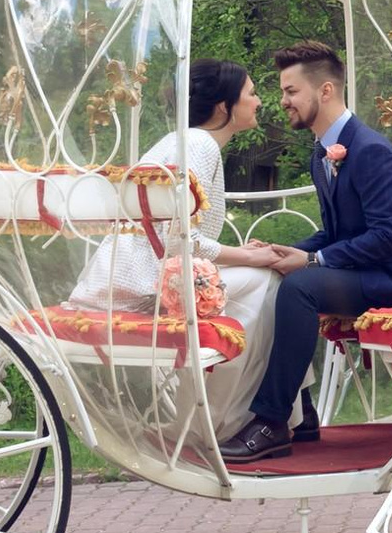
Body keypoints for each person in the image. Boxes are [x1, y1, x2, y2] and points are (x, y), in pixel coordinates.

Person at [218, 40, 392, 461]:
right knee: (278, 276)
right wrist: (284, 251)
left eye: (291, 91)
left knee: (301, 287)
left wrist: (311, 261)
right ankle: (301, 414)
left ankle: (272, 423)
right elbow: (336, 231)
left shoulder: (370, 150)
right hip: (372, 267)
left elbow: (387, 237)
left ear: (325, 91)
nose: (283, 101)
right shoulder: (322, 152)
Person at [65, 60, 289, 431]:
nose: (260, 101)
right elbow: (179, 240)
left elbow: (182, 237)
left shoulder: (181, 142)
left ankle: (222, 416)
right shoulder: (201, 145)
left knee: (255, 277)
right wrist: (248, 255)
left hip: (134, 280)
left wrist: (243, 254)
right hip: (145, 290)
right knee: (268, 282)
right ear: (224, 107)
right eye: (251, 93)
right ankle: (218, 423)